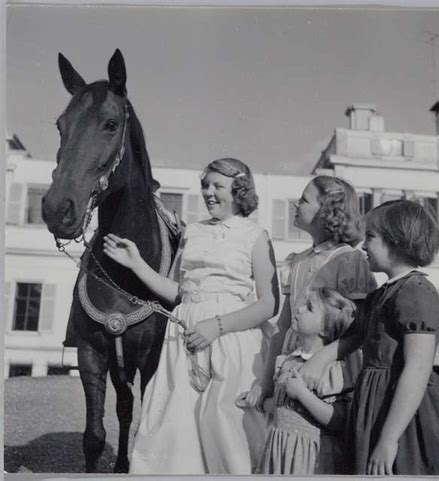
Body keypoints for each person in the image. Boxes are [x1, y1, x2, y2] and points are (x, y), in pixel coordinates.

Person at [103, 158, 279, 474]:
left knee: (227, 430)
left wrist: (217, 326)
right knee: (171, 427)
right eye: (205, 186)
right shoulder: (193, 232)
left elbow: (269, 304)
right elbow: (180, 294)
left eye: (217, 186)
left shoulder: (256, 236)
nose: (208, 193)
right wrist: (137, 263)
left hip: (231, 340)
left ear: (239, 190)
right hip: (182, 341)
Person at [299, 200, 439, 475]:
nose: (363, 245)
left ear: (397, 240)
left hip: (405, 417)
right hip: (374, 406)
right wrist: (320, 359)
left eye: (370, 237)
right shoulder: (381, 294)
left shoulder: (416, 291)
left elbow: (417, 368)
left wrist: (389, 439)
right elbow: (358, 335)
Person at [245, 175, 376, 413]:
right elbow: (282, 326)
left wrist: (322, 358)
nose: (296, 204)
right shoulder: (298, 261)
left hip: (332, 373)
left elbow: (361, 326)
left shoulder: (349, 260)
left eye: (304, 200)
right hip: (292, 367)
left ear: (327, 211)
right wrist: (265, 383)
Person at [255, 287, 356, 475]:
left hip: (310, 457)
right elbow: (283, 409)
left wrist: (302, 394)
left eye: (309, 308)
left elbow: (337, 420)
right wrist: (262, 402)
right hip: (280, 449)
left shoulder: (330, 369)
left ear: (325, 329)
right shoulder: (289, 359)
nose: (299, 309)